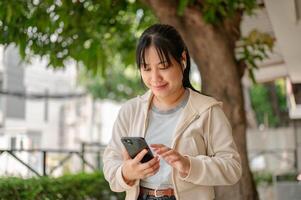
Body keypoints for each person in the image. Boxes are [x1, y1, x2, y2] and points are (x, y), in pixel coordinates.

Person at [103, 24, 242, 200]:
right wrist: (126, 172)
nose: (155, 78)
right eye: (146, 68)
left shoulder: (208, 110)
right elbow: (110, 162)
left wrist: (189, 165)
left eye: (163, 66)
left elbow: (232, 168)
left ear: (182, 60)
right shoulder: (130, 110)